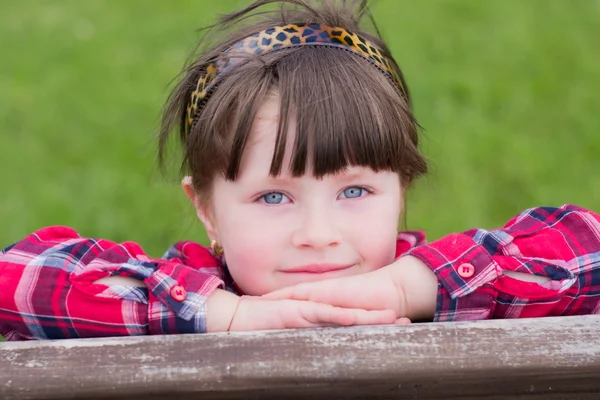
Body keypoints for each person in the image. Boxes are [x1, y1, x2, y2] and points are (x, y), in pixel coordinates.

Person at [1, 0, 599, 341]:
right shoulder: (192, 295)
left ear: (401, 192)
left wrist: (406, 288)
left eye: (356, 190)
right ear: (206, 208)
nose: (318, 232)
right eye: (272, 198)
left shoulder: (436, 288)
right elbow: (15, 277)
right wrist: (226, 316)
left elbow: (587, 248)